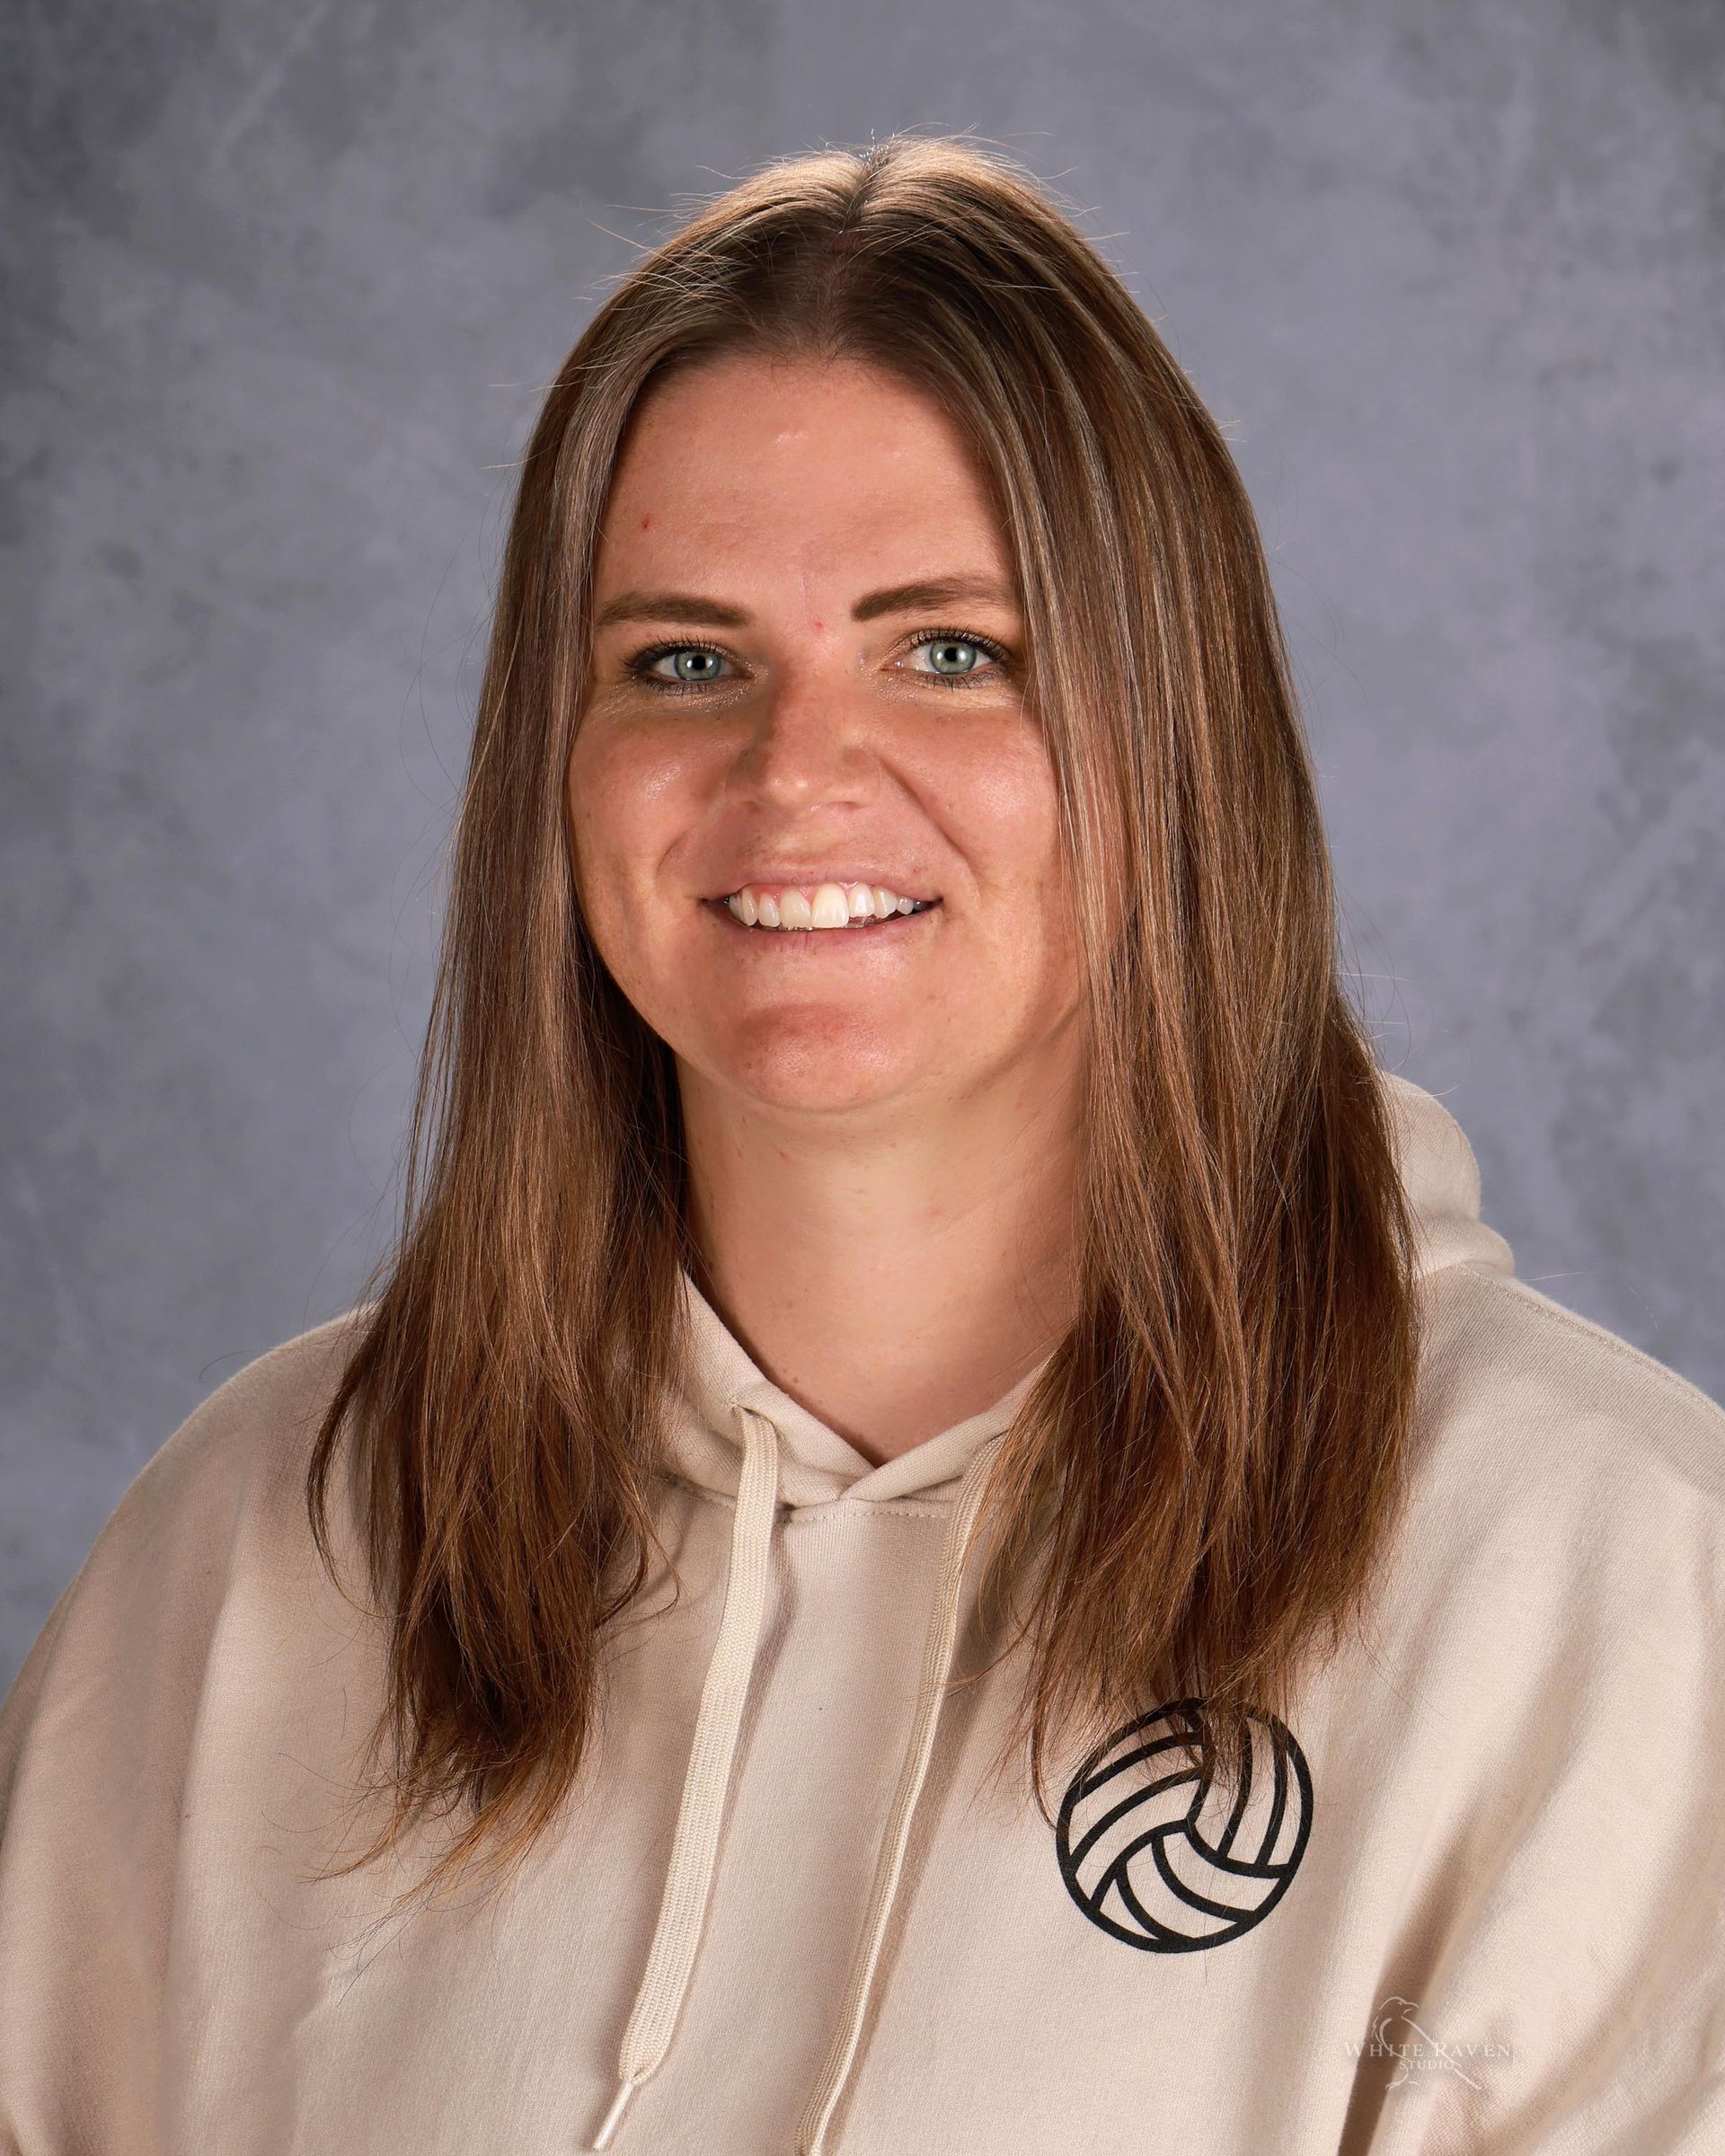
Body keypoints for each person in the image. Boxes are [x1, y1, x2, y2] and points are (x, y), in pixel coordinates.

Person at [2, 133, 1721, 2156]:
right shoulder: (257, 1554)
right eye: (684, 662)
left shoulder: (1604, 1589)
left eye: (950, 652)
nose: (796, 772)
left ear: (1177, 736)